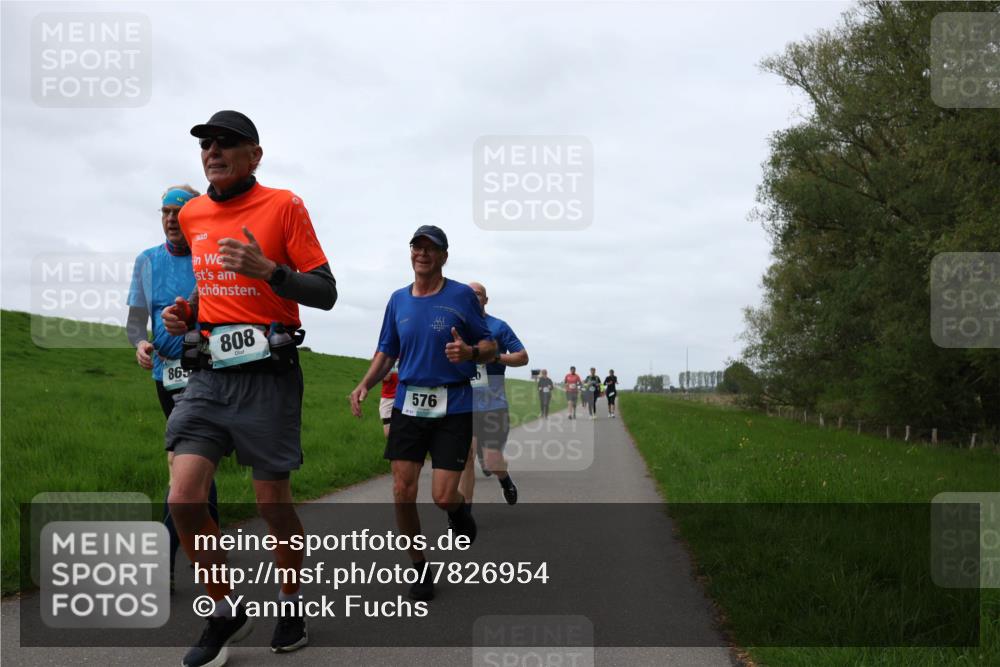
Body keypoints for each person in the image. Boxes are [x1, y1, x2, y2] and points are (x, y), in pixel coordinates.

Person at [161, 110, 337, 667]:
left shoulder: (284, 205)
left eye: (226, 143)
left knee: (272, 504)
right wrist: (189, 310)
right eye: (207, 144)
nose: (213, 151)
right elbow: (212, 281)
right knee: (184, 499)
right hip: (210, 375)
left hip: (269, 376)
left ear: (254, 154)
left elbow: (326, 292)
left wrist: (271, 271)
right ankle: (224, 609)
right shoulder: (192, 214)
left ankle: (290, 604)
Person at [349, 225, 495, 603]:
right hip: (409, 403)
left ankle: (459, 513)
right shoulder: (398, 300)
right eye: (417, 247)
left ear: (444, 256)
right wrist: (365, 383)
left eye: (432, 249)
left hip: (454, 405)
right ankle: (420, 568)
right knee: (401, 491)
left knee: (444, 496)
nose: (423, 253)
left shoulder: (461, 295)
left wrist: (471, 354)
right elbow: (386, 350)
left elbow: (489, 344)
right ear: (411, 252)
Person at [127, 184, 219, 593]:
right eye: (164, 211)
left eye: (178, 212)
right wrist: (140, 344)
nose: (169, 218)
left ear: (193, 216)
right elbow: (134, 321)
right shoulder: (146, 261)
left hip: (206, 369)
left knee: (188, 460)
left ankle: (166, 558)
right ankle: (208, 538)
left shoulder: (207, 256)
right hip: (166, 375)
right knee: (197, 460)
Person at [458, 281, 528, 507]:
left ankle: (505, 479)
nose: (473, 297)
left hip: (493, 404)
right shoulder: (456, 327)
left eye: (478, 294)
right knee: (465, 458)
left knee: (491, 460)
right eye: (469, 294)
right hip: (463, 403)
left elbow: (522, 357)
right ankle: (463, 514)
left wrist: (495, 357)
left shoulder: (498, 326)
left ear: (485, 300)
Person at [380, 363, 399, 438]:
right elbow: (385, 377)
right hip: (388, 396)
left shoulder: (408, 353)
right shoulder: (385, 354)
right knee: (387, 424)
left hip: (404, 394)